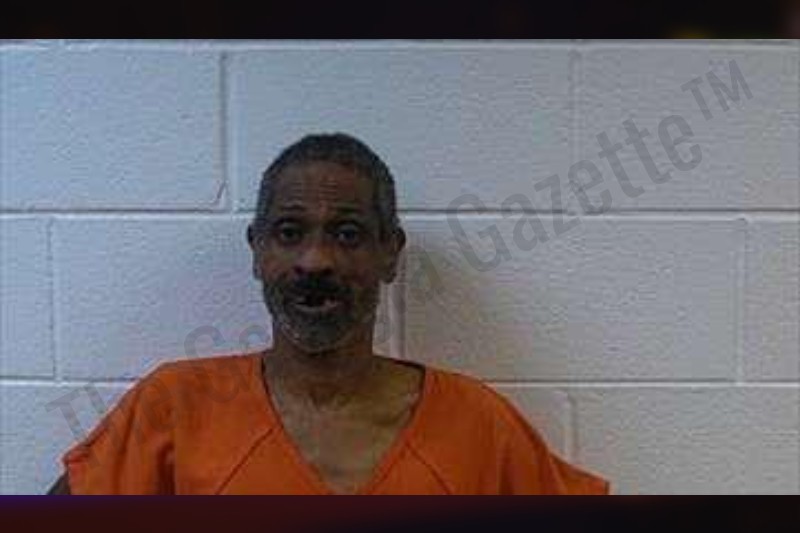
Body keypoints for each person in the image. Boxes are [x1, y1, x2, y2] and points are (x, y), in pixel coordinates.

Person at [47, 133, 609, 495]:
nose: (315, 260)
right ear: (258, 251)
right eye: (290, 232)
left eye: (347, 234)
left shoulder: (479, 424)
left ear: (390, 253)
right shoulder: (174, 406)